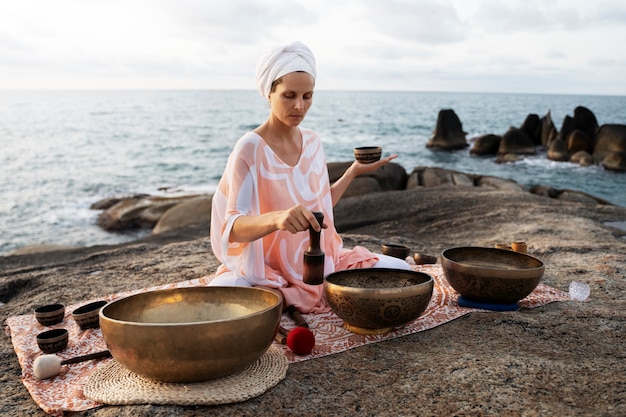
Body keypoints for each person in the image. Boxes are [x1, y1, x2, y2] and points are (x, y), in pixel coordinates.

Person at [209, 41, 409, 313]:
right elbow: (232, 228)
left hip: (319, 263)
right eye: (289, 95)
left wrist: (352, 172)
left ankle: (297, 295)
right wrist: (278, 219)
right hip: (263, 268)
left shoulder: (313, 142)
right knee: (221, 297)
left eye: (307, 96)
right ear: (269, 93)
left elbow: (321, 208)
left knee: (402, 269)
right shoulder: (250, 148)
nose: (299, 106)